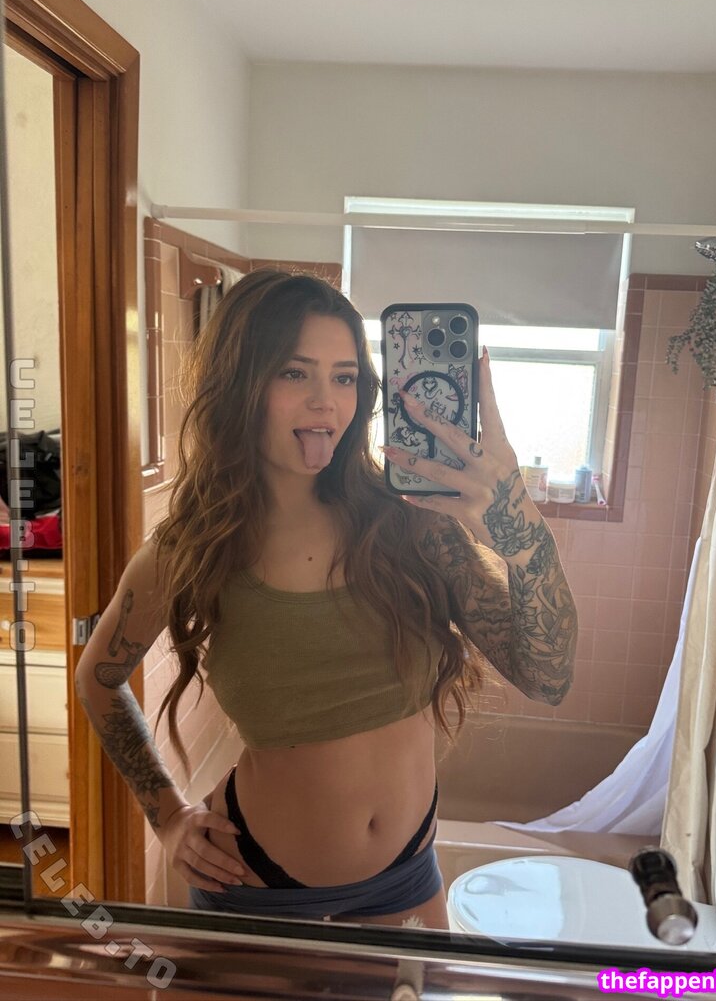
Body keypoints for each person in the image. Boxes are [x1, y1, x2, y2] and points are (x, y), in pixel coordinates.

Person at [74, 270, 577, 929]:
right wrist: (167, 817)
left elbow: (547, 677)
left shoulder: (411, 523)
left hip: (407, 875)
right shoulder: (190, 550)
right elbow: (98, 678)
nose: (325, 403)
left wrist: (521, 531)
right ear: (240, 385)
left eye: (345, 378)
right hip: (258, 888)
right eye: (294, 373)